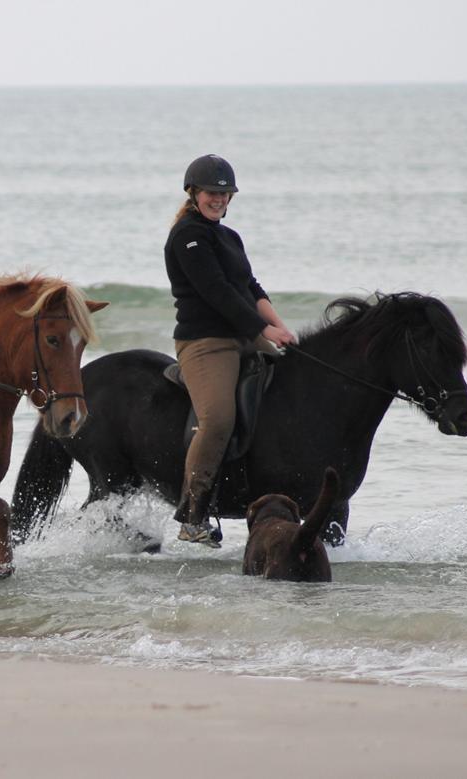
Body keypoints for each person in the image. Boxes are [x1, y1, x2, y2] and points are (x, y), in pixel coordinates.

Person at [163, 153, 296, 547]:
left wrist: (280, 327)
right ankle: (192, 516)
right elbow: (217, 293)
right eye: (211, 192)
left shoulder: (230, 237)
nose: (218, 199)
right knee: (218, 419)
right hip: (206, 341)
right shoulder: (187, 236)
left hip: (245, 334)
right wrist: (264, 329)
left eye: (224, 193)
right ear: (193, 193)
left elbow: (251, 288)